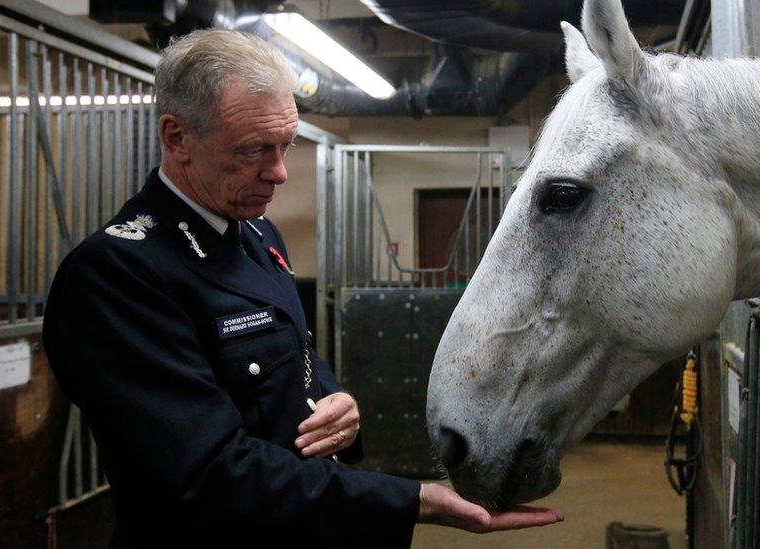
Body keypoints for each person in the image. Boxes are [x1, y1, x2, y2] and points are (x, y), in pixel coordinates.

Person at [42, 28, 562, 547]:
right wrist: (411, 501)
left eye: (285, 145)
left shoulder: (257, 234)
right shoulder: (118, 273)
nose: (280, 173)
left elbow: (292, 360)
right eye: (254, 150)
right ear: (178, 138)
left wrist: (335, 402)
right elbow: (205, 476)